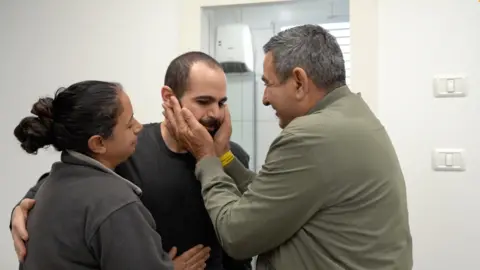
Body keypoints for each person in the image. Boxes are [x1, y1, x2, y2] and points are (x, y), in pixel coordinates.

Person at [163, 25, 413, 269]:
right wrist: (224, 157)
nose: (264, 98)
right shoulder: (353, 115)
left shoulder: (310, 136)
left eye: (268, 84)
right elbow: (279, 199)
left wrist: (206, 158)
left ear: (299, 81)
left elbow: (236, 236)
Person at [10, 53, 252, 270]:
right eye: (203, 102)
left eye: (221, 103)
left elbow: (240, 243)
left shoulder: (232, 158)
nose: (215, 114)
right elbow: (69, 181)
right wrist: (20, 209)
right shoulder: (127, 149)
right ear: (169, 97)